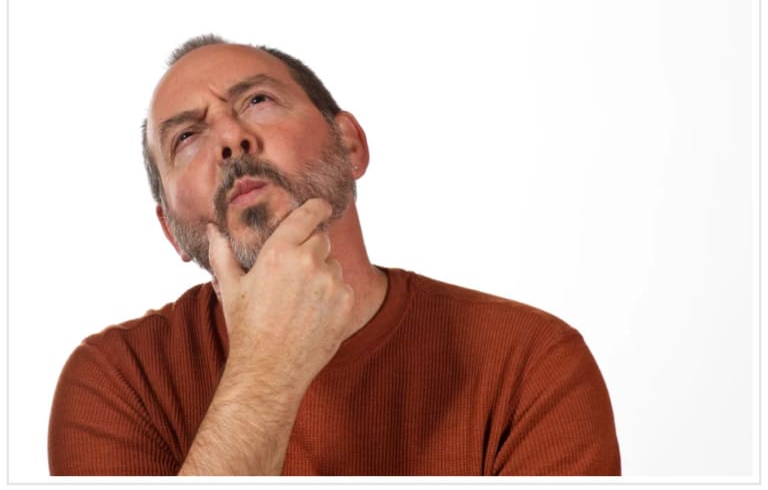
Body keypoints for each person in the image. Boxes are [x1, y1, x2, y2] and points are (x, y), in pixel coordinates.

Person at [48, 34, 621, 476]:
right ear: (171, 232)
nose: (229, 139)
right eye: (187, 138)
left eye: (258, 101)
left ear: (350, 145)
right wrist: (266, 371)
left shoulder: (531, 362)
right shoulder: (116, 384)